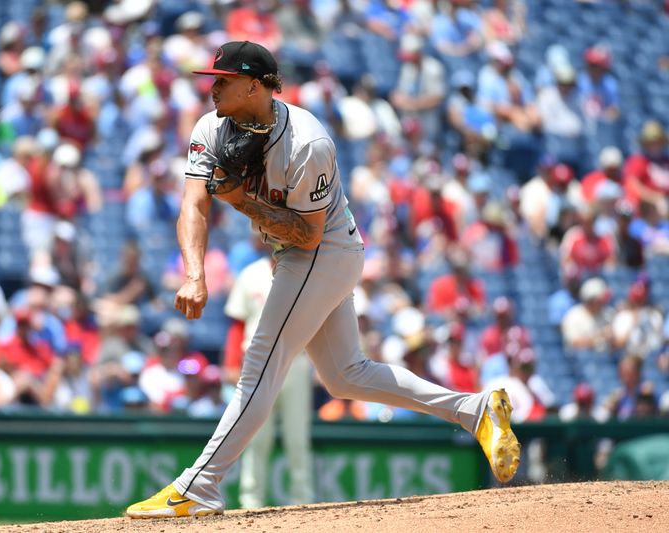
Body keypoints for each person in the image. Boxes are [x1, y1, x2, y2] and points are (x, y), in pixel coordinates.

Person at [126, 41, 520, 519]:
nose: (212, 88)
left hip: (324, 251)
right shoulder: (211, 126)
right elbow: (193, 203)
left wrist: (240, 200)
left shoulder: (307, 142)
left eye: (222, 80)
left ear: (254, 85)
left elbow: (307, 237)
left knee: (260, 364)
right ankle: (476, 410)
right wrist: (194, 274)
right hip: (298, 252)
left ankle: (199, 486)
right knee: (345, 375)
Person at [223, 254, 314, 509]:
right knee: (255, 437)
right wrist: (231, 363)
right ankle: (251, 502)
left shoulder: (306, 268)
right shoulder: (251, 273)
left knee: (297, 436)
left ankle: (302, 501)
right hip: (257, 360)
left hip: (296, 359)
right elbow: (237, 323)